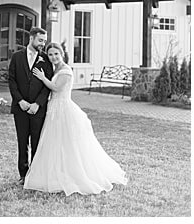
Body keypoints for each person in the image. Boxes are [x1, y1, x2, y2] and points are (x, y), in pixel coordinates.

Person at [24, 42, 128, 194]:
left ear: (62, 54)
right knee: (54, 141)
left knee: (67, 142)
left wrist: (42, 77)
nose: (53, 57)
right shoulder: (56, 68)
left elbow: (57, 88)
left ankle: (72, 172)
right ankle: (56, 171)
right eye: (51, 54)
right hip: (54, 108)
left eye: (56, 54)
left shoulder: (65, 71)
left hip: (63, 109)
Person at [7, 27, 54, 184]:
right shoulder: (16, 57)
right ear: (31, 38)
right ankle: (23, 175)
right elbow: (12, 80)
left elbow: (48, 84)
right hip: (20, 108)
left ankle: (36, 175)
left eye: (44, 41)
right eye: (40, 40)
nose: (43, 43)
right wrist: (20, 101)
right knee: (22, 142)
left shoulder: (46, 59)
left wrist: (38, 104)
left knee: (36, 142)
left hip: (37, 109)